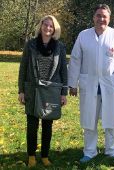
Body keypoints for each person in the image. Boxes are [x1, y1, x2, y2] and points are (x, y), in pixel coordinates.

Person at [68, 4, 114, 163]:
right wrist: (72, 84)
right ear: (93, 17)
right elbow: (76, 59)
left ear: (109, 18)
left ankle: (112, 151)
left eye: (104, 16)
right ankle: (89, 152)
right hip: (89, 83)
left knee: (111, 119)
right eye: (98, 15)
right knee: (89, 119)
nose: (101, 19)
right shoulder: (84, 35)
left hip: (110, 83)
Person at [18, 15, 68, 167]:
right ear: (40, 27)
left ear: (55, 29)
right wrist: (21, 90)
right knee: (32, 125)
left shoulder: (60, 47)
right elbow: (23, 68)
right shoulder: (30, 45)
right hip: (33, 90)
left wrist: (63, 92)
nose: (47, 28)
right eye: (45, 25)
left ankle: (45, 155)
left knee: (48, 125)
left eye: (51, 26)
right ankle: (31, 155)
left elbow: (63, 71)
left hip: (51, 92)